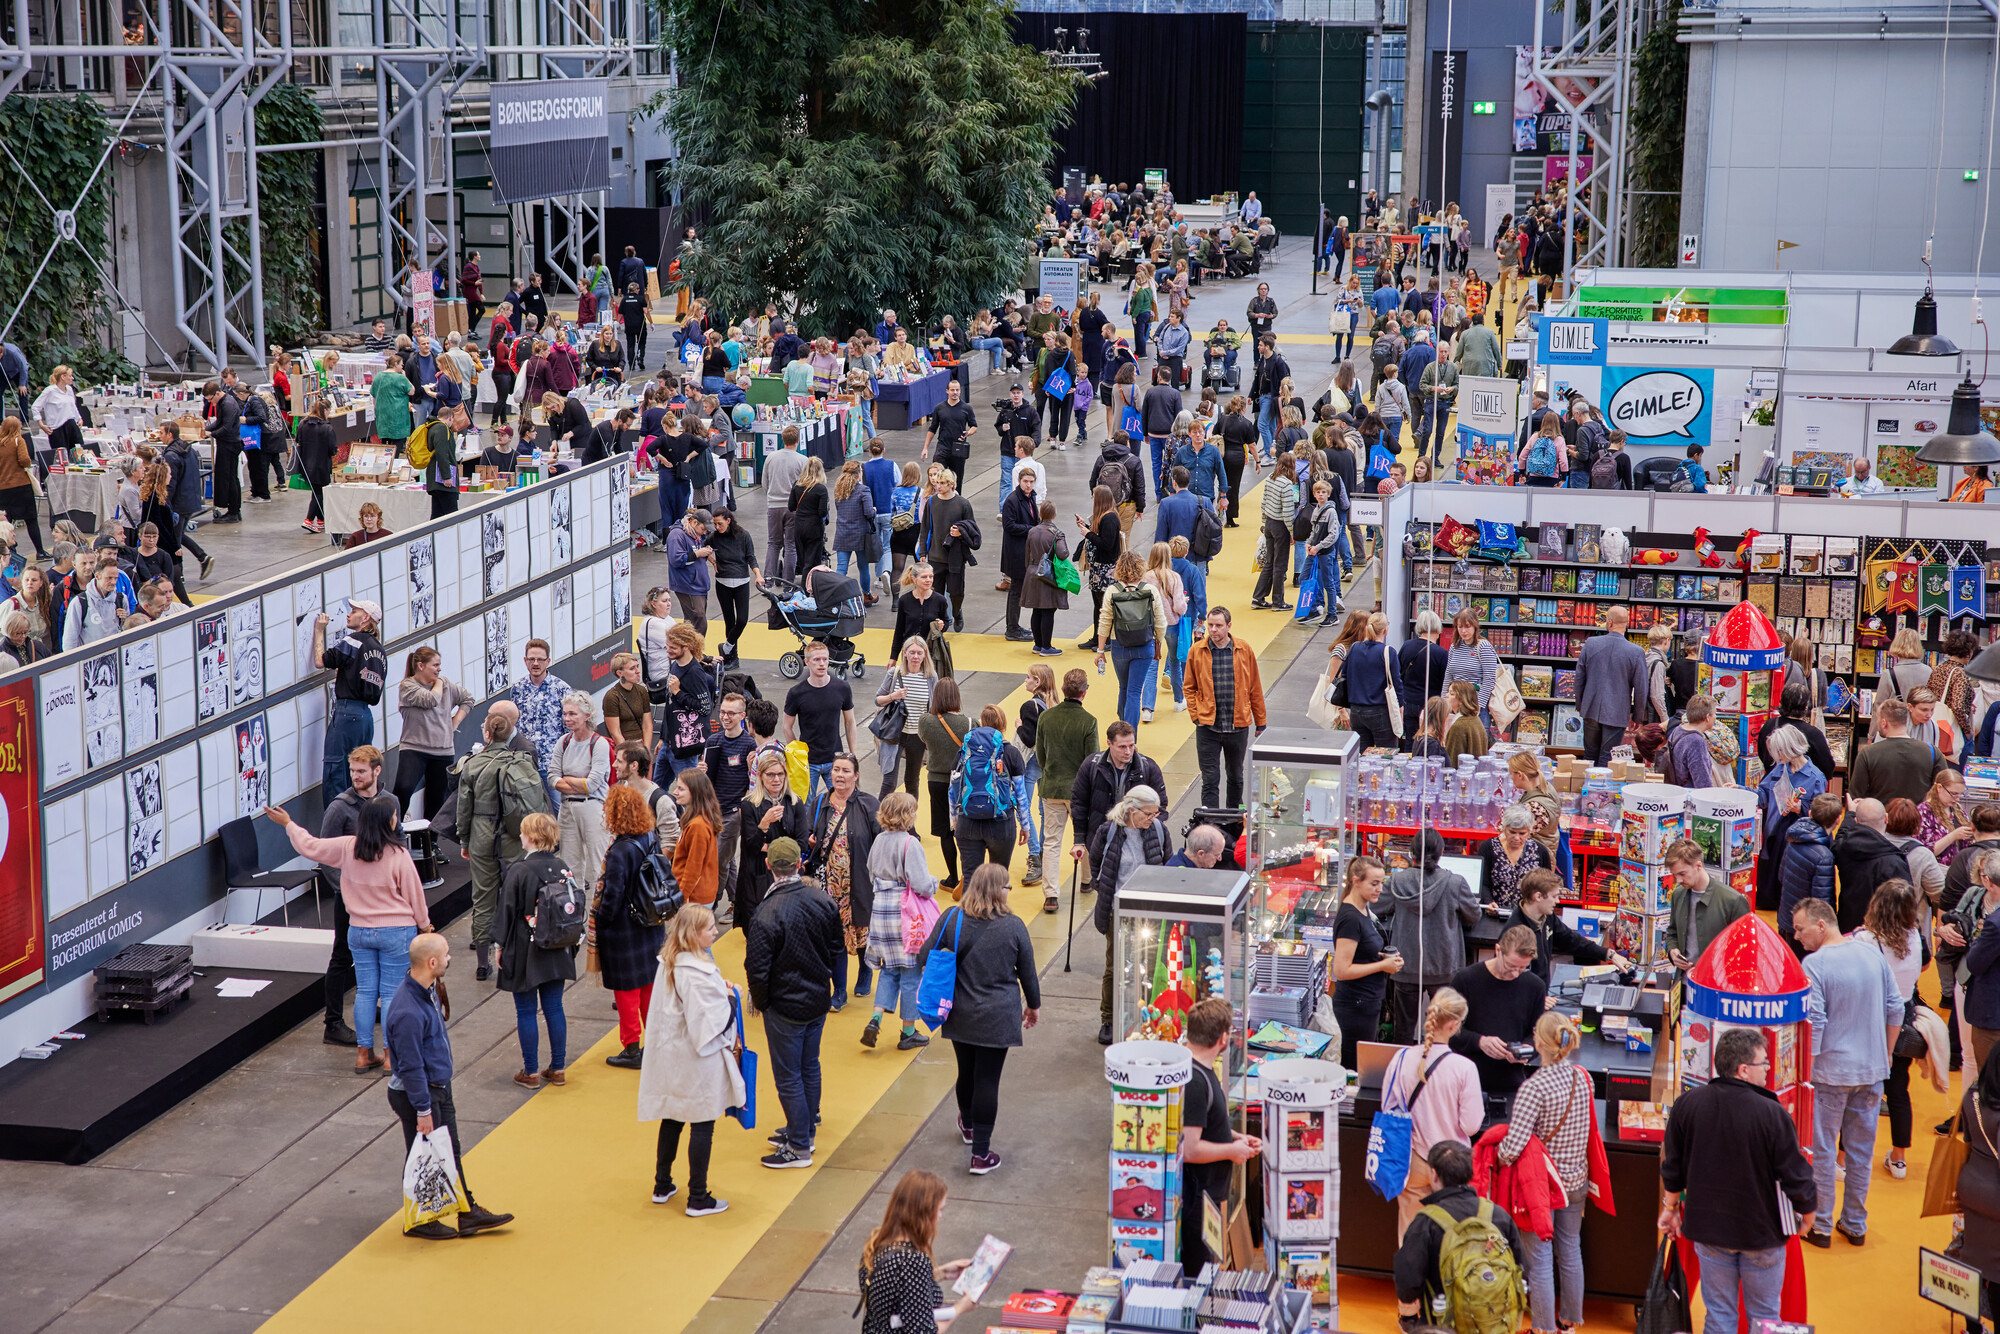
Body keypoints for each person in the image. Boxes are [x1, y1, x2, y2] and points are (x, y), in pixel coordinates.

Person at [1659, 1026, 1817, 1333]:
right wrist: (1808, 1212)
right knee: (1765, 1316)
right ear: (1744, 1070)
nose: (1769, 1068)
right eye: (1764, 1063)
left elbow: (1673, 1165)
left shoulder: (1688, 1105)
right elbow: (1793, 1173)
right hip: (1761, 1234)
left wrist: (1671, 1207)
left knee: (1718, 1314)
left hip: (1708, 1232)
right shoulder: (1772, 1113)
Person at [264, 797, 428, 1073]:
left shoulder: (347, 847)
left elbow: (310, 846)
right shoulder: (397, 854)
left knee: (365, 992)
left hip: (359, 931)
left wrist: (289, 824)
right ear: (390, 821)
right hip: (396, 933)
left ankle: (364, 1054)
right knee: (391, 994)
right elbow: (415, 895)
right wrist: (425, 925)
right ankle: (390, 1056)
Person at [382, 934, 514, 1239]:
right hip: (421, 1093)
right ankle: (419, 1221)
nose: (450, 958)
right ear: (432, 963)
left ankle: (467, 1213)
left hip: (437, 1087)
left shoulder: (424, 990)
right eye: (446, 954)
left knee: (448, 1152)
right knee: (425, 1157)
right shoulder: (407, 1012)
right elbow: (412, 1067)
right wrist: (424, 1108)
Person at [1792, 896, 1902, 1246]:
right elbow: (1896, 1008)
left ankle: (1821, 1225)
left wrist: (1806, 1069)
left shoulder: (1815, 964)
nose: (1796, 936)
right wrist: (1883, 1057)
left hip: (1830, 1074)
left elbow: (1817, 1022)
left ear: (1821, 925)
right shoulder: (1871, 952)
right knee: (1860, 1150)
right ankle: (1855, 1223)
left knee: (1823, 1150)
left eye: (1800, 928)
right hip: (1871, 1071)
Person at [917, 863, 1040, 1174]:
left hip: (959, 1013)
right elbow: (1027, 974)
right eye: (1007, 886)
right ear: (998, 891)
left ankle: (968, 1125)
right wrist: (1033, 1006)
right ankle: (981, 1155)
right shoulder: (1013, 926)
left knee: (967, 1072)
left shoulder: (952, 918)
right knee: (988, 1080)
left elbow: (923, 956)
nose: (1010, 890)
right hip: (998, 1017)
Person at [745, 836, 844, 1168]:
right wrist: (833, 987)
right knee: (808, 1066)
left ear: (769, 865)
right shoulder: (821, 899)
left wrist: (761, 1003)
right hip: (816, 999)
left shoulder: (766, 913)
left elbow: (757, 968)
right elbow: (836, 948)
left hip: (785, 1005)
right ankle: (804, 1128)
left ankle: (799, 1145)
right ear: (799, 864)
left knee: (788, 1075)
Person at [636, 904, 741, 1218]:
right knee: (703, 1122)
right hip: (697, 1059)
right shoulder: (695, 973)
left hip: (672, 1056)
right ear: (693, 934)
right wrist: (732, 999)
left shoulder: (669, 963)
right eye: (709, 928)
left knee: (672, 1116)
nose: (715, 931)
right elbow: (709, 1022)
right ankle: (698, 1196)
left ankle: (662, 1183)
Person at [1497, 1013, 1596, 1334]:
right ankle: (1568, 1322)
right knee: (1570, 1250)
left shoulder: (1533, 1088)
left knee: (1538, 1259)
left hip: (1541, 1188)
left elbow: (1513, 1147)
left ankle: (1541, 1328)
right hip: (1576, 1181)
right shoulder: (1584, 1078)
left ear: (1538, 1043)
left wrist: (1496, 1154)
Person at [455, 707, 550, 978]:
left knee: (483, 898)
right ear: (510, 734)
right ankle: (518, 951)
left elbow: (463, 809)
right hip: (515, 835)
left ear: (487, 734)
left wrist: (464, 840)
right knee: (519, 894)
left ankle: (483, 964)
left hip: (481, 836)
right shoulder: (520, 760)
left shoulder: (473, 764)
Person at [1393, 1139, 1526, 1328]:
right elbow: (1522, 1269)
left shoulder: (1426, 1222)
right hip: (1496, 1324)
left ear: (1434, 1175)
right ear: (1469, 1174)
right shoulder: (1497, 1215)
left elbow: (1407, 1283)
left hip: (1442, 1324)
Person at [1387, 989, 1485, 1242]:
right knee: (1453, 1236)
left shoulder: (1400, 1057)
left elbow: (1389, 1110)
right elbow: (1471, 1125)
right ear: (1453, 1025)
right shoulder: (1464, 1068)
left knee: (1411, 1232)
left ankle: (1412, 1281)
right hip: (1452, 1163)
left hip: (1412, 1158)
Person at [495, 813, 578, 1088]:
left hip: (525, 950)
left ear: (530, 837)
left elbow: (506, 911)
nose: (520, 836)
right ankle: (558, 1067)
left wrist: (499, 946)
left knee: (526, 1011)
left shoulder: (519, 870)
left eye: (522, 832)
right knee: (554, 1007)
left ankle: (530, 1071)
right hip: (557, 946)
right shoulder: (563, 867)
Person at [1178, 995, 1264, 1262]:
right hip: (1198, 1198)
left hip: (1207, 1195)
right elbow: (1190, 1148)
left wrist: (1236, 1137)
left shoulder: (1200, 1071)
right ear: (1223, 1039)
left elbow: (1206, 1124)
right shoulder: (1195, 1082)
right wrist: (1231, 1151)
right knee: (1200, 1273)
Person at [1377, 830, 1479, 1043]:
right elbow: (1474, 915)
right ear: (1442, 852)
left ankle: (1405, 1071)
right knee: (1444, 1031)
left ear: (1411, 852)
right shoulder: (1455, 882)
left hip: (1405, 966)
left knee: (1403, 1033)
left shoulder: (1397, 882)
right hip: (1444, 967)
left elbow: (1375, 907)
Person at [1089, 786, 1173, 1045]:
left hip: (1149, 911)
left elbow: (1167, 863)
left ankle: (1145, 1016)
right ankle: (1109, 1019)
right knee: (1115, 966)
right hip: (1118, 911)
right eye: (1148, 813)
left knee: (1147, 964)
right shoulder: (1108, 832)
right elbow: (1096, 866)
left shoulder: (1158, 830)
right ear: (1131, 810)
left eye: (1156, 813)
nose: (1153, 818)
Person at [1852, 879, 1923, 1180]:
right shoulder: (1916, 937)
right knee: (1898, 1090)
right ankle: (1899, 1159)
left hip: (1870, 1018)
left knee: (1856, 1095)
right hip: (1904, 1017)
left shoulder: (1866, 941)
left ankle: (1843, 1159)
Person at [596, 784, 670, 1072]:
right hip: (650, 924)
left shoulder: (619, 850)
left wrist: (600, 922)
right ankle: (655, 1042)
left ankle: (632, 1048)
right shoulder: (650, 837)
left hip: (624, 931)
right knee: (648, 987)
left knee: (626, 991)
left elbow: (612, 895)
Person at [857, 1170, 979, 1334]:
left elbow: (893, 1289)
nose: (940, 1216)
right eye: (940, 1210)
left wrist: (939, 1273)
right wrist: (960, 1308)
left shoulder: (877, 1242)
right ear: (925, 1214)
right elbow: (924, 1331)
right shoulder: (912, 1261)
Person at [862, 792, 938, 1051]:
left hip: (881, 910)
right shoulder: (910, 843)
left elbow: (870, 871)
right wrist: (934, 884)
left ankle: (875, 1018)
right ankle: (908, 1032)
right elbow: (920, 884)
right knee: (910, 973)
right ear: (908, 815)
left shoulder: (879, 840)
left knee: (889, 969)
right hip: (905, 914)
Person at [801, 753, 878, 1006]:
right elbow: (809, 834)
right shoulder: (820, 801)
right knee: (835, 935)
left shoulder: (868, 805)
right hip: (828, 882)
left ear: (856, 776)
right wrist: (811, 840)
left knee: (861, 928)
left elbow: (880, 842)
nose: (840, 775)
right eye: (836, 770)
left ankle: (865, 971)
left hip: (859, 880)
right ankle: (840, 990)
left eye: (846, 771)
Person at [1449, 924, 1546, 1111]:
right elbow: (1446, 1032)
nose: (1515, 974)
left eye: (1523, 968)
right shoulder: (1466, 980)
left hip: (1511, 1082)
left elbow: (1536, 1035)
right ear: (1497, 950)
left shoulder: (1535, 987)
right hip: (1466, 1080)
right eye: (1511, 966)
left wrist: (1528, 1050)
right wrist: (1480, 1042)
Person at [1183, 606, 1266, 809]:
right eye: (1210, 625)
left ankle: (1234, 821)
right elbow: (1188, 687)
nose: (1213, 630)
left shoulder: (1244, 649)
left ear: (1229, 626)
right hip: (1207, 728)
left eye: (1218, 625)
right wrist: (1196, 716)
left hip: (1237, 727)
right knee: (1210, 780)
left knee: (1236, 777)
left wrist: (1261, 722)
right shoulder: (1197, 650)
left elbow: (1255, 686)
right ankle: (1210, 825)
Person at [1330, 855, 1403, 1067]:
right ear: (1356, 881)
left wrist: (1382, 959)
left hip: (1366, 1004)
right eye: (1374, 883)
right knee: (1355, 1068)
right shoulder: (1351, 919)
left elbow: (1360, 951)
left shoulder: (1363, 909)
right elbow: (1342, 970)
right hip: (1355, 1008)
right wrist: (1382, 966)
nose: (1380, 889)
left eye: (1382, 883)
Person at [313, 599, 387, 797]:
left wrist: (319, 630)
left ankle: (337, 825)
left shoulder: (354, 640)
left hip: (346, 714)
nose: (348, 614)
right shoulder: (379, 650)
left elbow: (321, 661)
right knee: (360, 774)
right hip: (365, 717)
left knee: (337, 773)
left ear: (365, 618)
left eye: (354, 611)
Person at [394, 647, 472, 822]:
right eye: (435, 665)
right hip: (414, 749)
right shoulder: (408, 686)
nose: (439, 669)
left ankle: (432, 842)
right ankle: (392, 833)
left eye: (440, 665)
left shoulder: (445, 684)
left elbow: (468, 699)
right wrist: (439, 684)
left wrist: (454, 723)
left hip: (442, 751)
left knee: (436, 799)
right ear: (421, 666)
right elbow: (430, 700)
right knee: (403, 789)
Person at [1094, 551, 1169, 728]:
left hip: (1120, 646)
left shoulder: (1112, 591)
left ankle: (1121, 727)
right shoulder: (1150, 591)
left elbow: (1104, 622)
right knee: (1135, 692)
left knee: (1124, 688)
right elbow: (1161, 622)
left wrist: (1100, 650)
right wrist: (1157, 641)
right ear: (1141, 567)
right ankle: (1129, 736)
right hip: (1144, 646)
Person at [551, 691, 613, 897]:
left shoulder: (599, 744)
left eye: (573, 714)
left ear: (587, 715)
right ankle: (573, 917)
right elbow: (552, 778)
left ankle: (601, 915)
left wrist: (566, 779)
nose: (567, 718)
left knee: (599, 866)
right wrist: (579, 783)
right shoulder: (563, 742)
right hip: (567, 809)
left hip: (594, 808)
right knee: (570, 867)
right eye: (565, 714)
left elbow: (593, 784)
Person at [1506, 869, 1617, 984]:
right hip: (1532, 998)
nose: (1558, 901)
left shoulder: (1546, 916)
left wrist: (1608, 954)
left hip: (1542, 993)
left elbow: (1570, 939)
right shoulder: (1514, 933)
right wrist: (1539, 997)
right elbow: (1511, 981)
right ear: (1538, 896)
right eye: (1554, 897)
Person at [783, 640, 859, 804]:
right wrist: (797, 756)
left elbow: (850, 722)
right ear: (807, 662)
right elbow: (786, 726)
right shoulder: (796, 693)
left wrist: (853, 755)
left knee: (842, 802)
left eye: (825, 659)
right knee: (806, 806)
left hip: (835, 760)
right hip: (809, 763)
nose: (822, 664)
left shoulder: (842, 688)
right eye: (817, 660)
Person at [1662, 837, 1750, 973]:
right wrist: (1672, 951)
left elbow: (1745, 951)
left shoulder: (1733, 901)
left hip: (1716, 987)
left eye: (1682, 874)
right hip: (1683, 984)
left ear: (1698, 866)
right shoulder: (1678, 895)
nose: (1678, 880)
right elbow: (1672, 932)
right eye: (1675, 875)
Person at [1574, 605, 1648, 764]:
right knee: (1608, 756)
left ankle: (1586, 785)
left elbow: (1579, 677)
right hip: (1617, 712)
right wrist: (1638, 716)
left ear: (1610, 622)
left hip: (1590, 708)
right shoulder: (1636, 652)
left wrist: (1581, 705)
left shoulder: (1591, 644)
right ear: (1626, 623)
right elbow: (1641, 688)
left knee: (1589, 754)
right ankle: (1600, 788)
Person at [1833, 796, 1915, 934]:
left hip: (1847, 928)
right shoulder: (1893, 862)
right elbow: (1905, 906)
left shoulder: (1843, 848)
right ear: (1886, 818)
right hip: (1881, 935)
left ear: (1857, 821)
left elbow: (1841, 835)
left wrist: (1851, 812)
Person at [1848, 698, 1946, 805]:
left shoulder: (1867, 753)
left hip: (1880, 818)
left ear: (1884, 722)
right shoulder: (1932, 752)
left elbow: (1855, 797)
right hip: (1919, 818)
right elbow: (1944, 789)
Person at [1778, 793, 1842, 954]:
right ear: (1837, 820)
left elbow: (1781, 875)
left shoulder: (1794, 838)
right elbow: (1823, 901)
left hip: (1786, 917)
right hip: (1807, 929)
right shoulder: (1823, 856)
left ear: (1810, 814)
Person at [916, 467, 977, 632]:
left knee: (956, 592)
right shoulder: (932, 502)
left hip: (955, 556)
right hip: (935, 556)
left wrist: (960, 533)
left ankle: (957, 612)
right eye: (937, 483)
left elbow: (972, 529)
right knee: (937, 594)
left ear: (952, 485)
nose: (938, 486)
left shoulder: (963, 504)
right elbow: (925, 529)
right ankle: (943, 621)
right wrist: (923, 552)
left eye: (943, 483)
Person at [1478, 804, 1553, 915]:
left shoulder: (1539, 851)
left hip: (1528, 916)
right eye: (1512, 832)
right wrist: (1489, 902)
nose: (1517, 838)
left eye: (1522, 833)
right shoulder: (1488, 847)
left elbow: (1547, 885)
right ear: (1504, 828)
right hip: (1495, 914)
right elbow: (1482, 882)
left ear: (1529, 831)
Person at [672, 768, 723, 909]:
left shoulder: (698, 825)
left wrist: (681, 898)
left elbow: (693, 868)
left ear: (695, 792)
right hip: (695, 894)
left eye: (681, 789)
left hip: (695, 898)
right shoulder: (698, 818)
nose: (675, 792)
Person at [1444, 609, 1499, 734]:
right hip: (1455, 705)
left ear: (1475, 626)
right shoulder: (1454, 646)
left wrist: (1478, 705)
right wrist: (1444, 701)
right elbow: (1448, 675)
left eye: (1467, 627)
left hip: (1475, 706)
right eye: (1460, 627)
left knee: (1477, 746)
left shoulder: (1483, 646)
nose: (1463, 631)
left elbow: (1489, 679)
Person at [920, 377, 978, 492]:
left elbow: (974, 426)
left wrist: (968, 433)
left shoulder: (966, 408)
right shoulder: (939, 408)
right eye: (952, 390)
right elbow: (932, 428)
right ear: (947, 391)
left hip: (959, 448)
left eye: (957, 390)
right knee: (937, 476)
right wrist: (925, 447)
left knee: (956, 480)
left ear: (960, 391)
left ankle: (956, 503)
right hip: (943, 447)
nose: (955, 392)